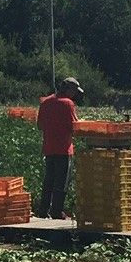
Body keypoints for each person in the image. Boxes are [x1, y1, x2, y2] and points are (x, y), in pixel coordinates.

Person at [38, 77, 82, 219]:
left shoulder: (46, 102)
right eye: (74, 91)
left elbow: (40, 125)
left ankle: (43, 210)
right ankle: (57, 211)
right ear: (68, 90)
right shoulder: (68, 104)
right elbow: (74, 126)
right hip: (64, 148)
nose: (75, 94)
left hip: (49, 147)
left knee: (49, 181)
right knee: (61, 182)